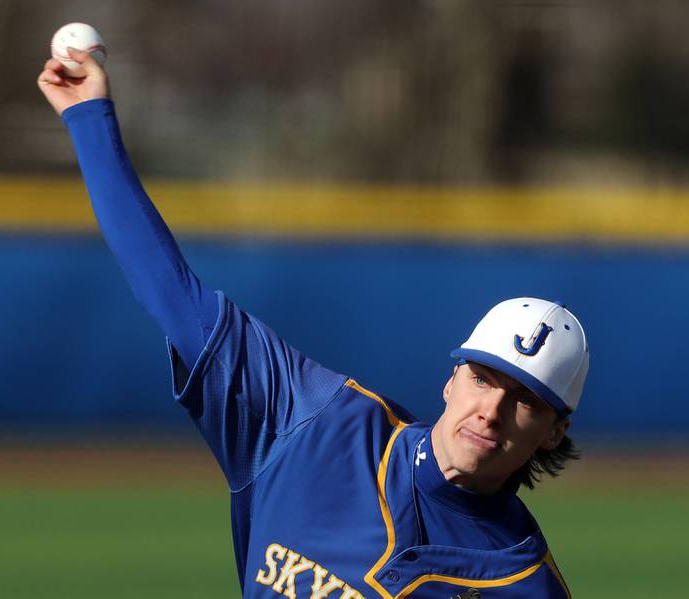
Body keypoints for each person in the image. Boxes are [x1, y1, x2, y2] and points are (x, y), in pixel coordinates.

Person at [38, 49, 589, 599]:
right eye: (483, 378)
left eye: (525, 401)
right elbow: (170, 288)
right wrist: (90, 119)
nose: (490, 411)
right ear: (452, 380)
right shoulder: (315, 423)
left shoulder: (526, 586)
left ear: (554, 432)